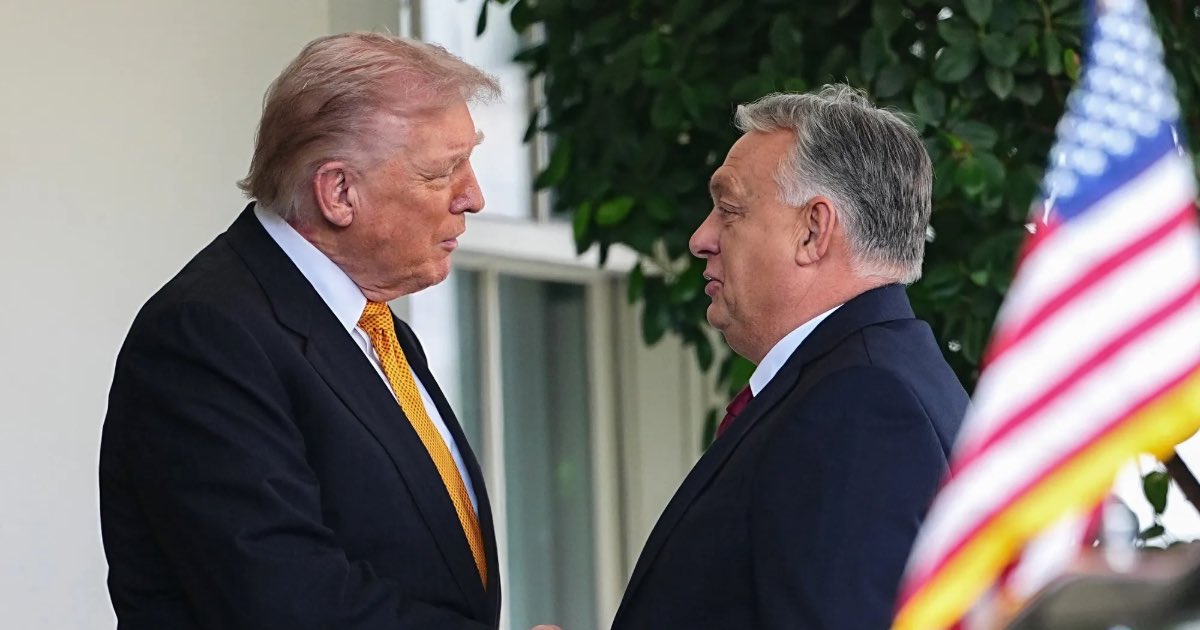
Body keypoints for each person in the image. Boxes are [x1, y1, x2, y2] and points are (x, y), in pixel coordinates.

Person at [100, 33, 513, 629]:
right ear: (339, 192)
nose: (472, 197)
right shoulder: (206, 334)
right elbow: (286, 601)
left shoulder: (375, 328)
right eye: (443, 171)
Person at [611, 85, 970, 629]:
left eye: (729, 209)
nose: (700, 238)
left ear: (813, 231)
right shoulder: (882, 379)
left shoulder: (859, 405)